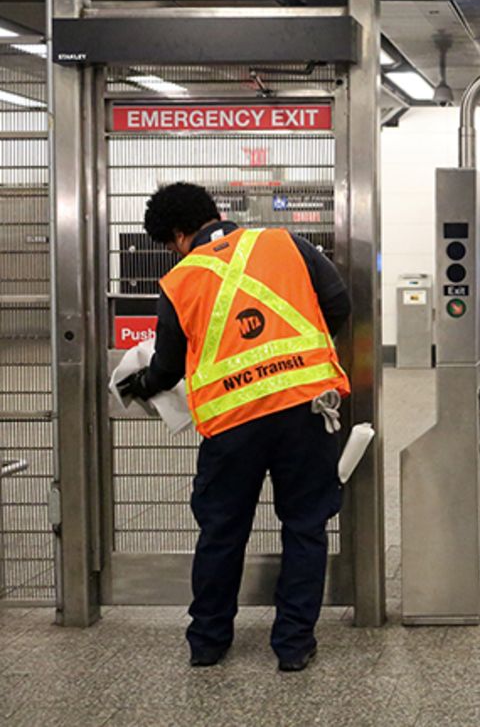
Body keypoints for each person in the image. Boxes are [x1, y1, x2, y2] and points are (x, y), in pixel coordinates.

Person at [115, 182, 351, 672]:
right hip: (304, 408)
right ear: (215, 213)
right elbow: (338, 305)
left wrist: (139, 382)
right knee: (305, 526)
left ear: (179, 236)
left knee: (222, 531)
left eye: (170, 244)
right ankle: (292, 646)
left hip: (233, 424)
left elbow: (169, 366)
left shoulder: (181, 280)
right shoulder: (285, 244)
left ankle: (207, 642)